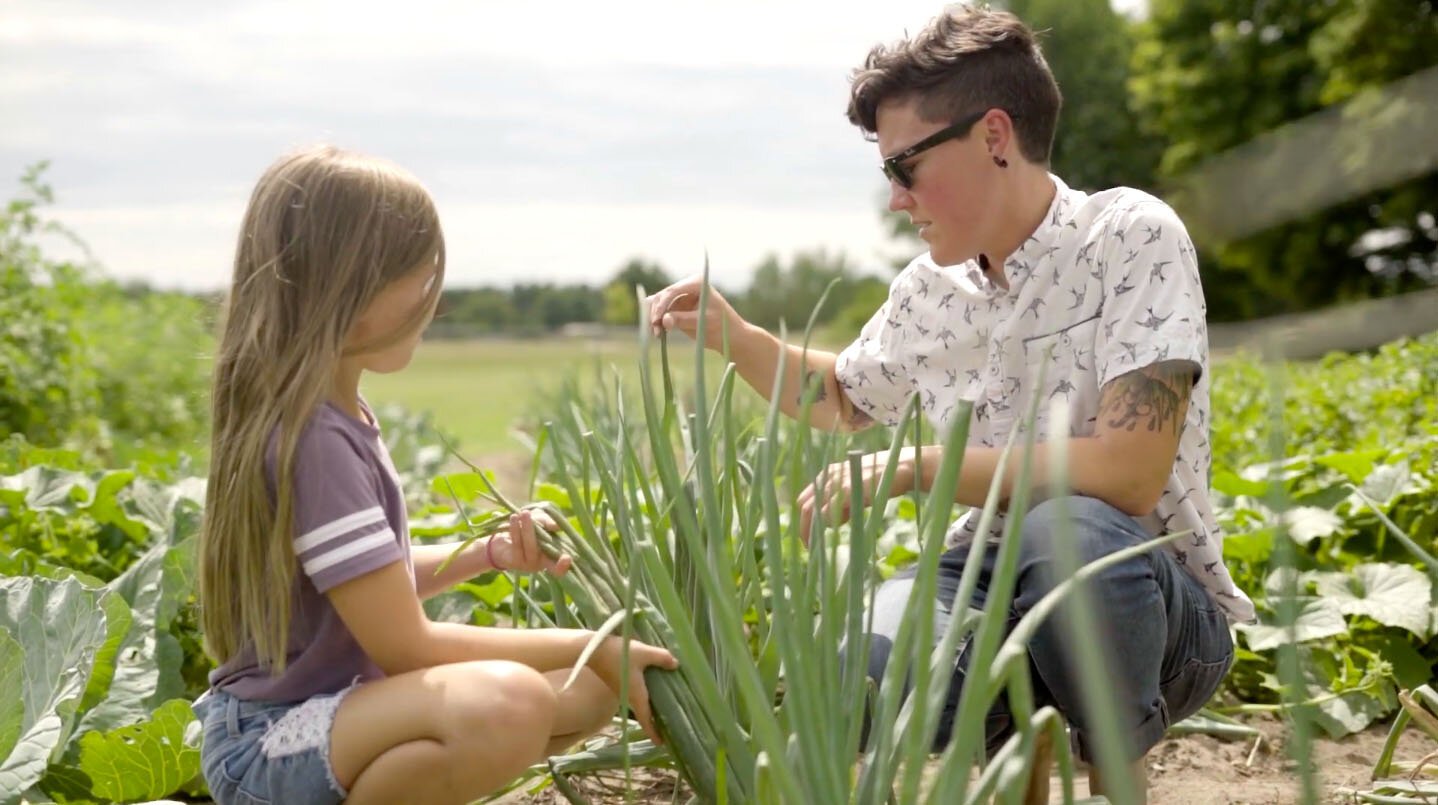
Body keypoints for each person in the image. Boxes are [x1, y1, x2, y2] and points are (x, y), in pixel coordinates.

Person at [645, 5, 1253, 802]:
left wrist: (917, 469)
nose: (897, 198)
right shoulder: (929, 291)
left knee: (1065, 534)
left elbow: (1129, 474)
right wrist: (738, 336)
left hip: (1143, 594)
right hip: (982, 572)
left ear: (994, 137)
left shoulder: (1131, 236)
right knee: (855, 668)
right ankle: (1020, 753)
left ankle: (1117, 776)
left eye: (905, 166)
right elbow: (839, 396)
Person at [193, 145, 678, 805]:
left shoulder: (336, 417)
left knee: (585, 688)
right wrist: (595, 643)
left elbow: (366, 585)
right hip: (271, 741)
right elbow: (405, 643)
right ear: (353, 292)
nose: (434, 301)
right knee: (508, 702)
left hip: (336, 717)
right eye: (420, 282)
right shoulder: (315, 440)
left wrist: (483, 554)